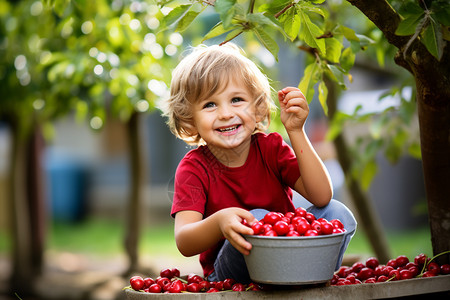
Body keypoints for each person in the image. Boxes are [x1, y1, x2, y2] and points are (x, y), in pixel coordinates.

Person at [160, 43, 356, 284]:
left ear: (258, 108)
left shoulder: (270, 148)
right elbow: (185, 240)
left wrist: (296, 131)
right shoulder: (194, 168)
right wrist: (220, 222)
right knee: (256, 219)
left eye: (237, 100)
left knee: (338, 213)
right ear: (190, 120)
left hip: (289, 251)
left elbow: (321, 196)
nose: (225, 113)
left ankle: (308, 275)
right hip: (232, 270)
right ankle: (293, 277)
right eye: (210, 104)